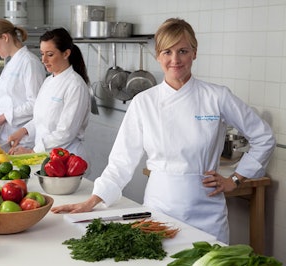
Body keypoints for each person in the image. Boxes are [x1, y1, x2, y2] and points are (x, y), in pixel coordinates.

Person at [50, 18, 276, 244]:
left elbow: (264, 137)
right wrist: (92, 201)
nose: (175, 59)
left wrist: (235, 180)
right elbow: (121, 161)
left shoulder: (216, 96)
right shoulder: (143, 102)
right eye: (167, 52)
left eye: (183, 51)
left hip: (208, 214)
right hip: (159, 211)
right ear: (157, 56)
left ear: (194, 53)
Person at [8, 28, 90, 160]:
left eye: (50, 54)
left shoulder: (75, 85)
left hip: (67, 158)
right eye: (42, 54)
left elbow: (66, 132)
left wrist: (33, 151)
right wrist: (23, 131)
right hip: (45, 155)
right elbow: (42, 120)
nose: (43, 60)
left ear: (66, 54)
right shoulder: (48, 81)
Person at [0, 19, 46, 143]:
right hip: (6, 135)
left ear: (5, 37)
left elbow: (35, 104)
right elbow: (13, 98)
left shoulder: (29, 62)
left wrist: (5, 117)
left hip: (24, 139)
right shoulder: (11, 63)